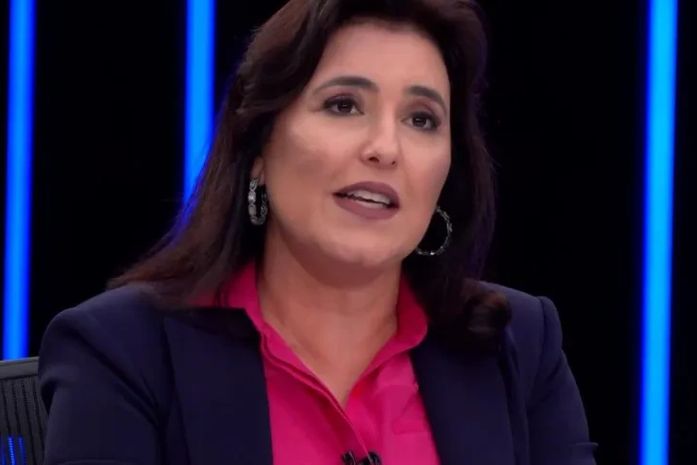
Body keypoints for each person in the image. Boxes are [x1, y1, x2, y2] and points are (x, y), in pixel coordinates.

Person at [38, 0, 597, 464]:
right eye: (344, 105)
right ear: (259, 146)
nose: (385, 147)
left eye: (421, 119)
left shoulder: (518, 345)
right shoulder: (125, 350)